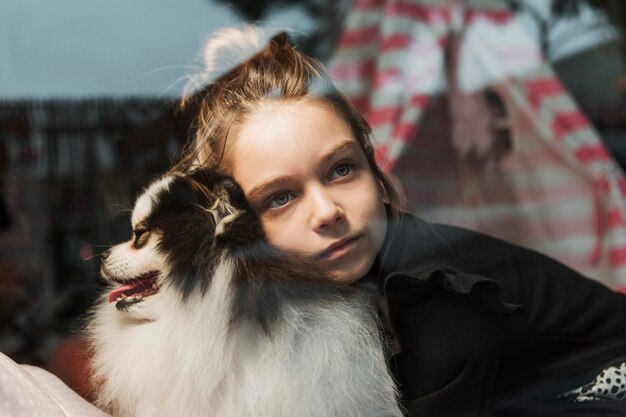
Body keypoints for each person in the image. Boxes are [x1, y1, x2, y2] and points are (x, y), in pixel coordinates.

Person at [174, 26, 626, 416]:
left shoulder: (429, 293)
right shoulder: (298, 289)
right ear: (235, 226)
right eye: (281, 198)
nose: (328, 211)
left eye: (341, 169)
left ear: (372, 166)